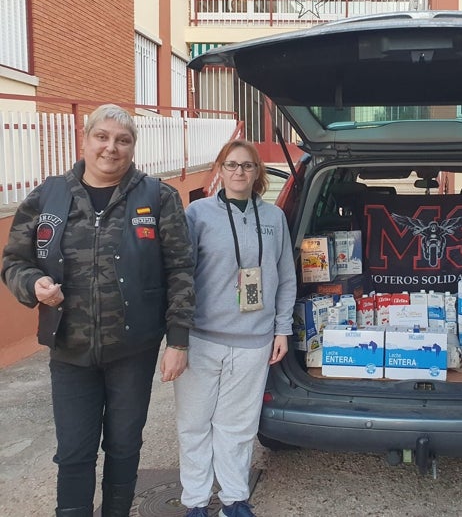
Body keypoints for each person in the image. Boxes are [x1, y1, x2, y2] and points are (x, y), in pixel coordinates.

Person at [1, 104, 195, 516]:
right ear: (85, 140)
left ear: (132, 146)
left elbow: (180, 269)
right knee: (74, 451)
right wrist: (33, 285)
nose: (112, 148)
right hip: (69, 348)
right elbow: (14, 261)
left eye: (123, 140)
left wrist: (178, 340)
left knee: (125, 447)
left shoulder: (157, 197)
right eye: (102, 137)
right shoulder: (47, 195)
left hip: (133, 350)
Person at [175, 139, 296, 517]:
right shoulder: (197, 214)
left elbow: (286, 277)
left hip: (254, 340)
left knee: (238, 427)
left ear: (257, 172)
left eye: (247, 165)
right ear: (220, 169)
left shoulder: (275, 217)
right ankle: (195, 500)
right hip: (202, 338)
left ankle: (234, 497)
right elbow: (180, 276)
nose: (239, 172)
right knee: (194, 425)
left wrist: (282, 329)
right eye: (232, 165)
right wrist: (176, 335)